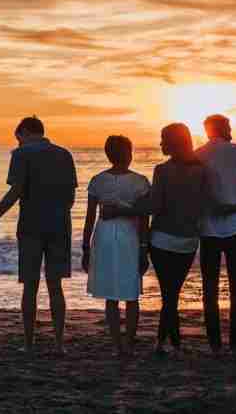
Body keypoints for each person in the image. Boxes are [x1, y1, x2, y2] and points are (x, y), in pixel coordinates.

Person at [102, 123, 207, 356]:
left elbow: (153, 206)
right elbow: (204, 204)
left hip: (162, 240)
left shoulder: (162, 170)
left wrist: (122, 209)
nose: (160, 144)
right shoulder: (201, 169)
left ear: (172, 142)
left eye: (163, 139)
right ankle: (165, 343)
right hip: (188, 241)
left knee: (169, 295)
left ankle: (171, 344)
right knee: (172, 294)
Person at [0, 117, 78, 355]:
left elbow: (16, 191)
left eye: (19, 138)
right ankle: (59, 344)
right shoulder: (65, 154)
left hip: (31, 225)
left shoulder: (21, 154)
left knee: (30, 286)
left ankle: (28, 344)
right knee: (55, 286)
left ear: (25, 132)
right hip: (60, 225)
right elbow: (71, 198)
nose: (19, 143)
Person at [195, 114, 236, 358]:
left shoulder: (198, 154)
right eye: (229, 125)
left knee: (209, 288)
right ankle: (235, 344)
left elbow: (198, 190)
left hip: (208, 229)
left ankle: (214, 345)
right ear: (224, 128)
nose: (231, 129)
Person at [82, 136, 150, 357]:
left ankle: (116, 345)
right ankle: (129, 344)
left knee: (111, 295)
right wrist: (144, 247)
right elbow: (144, 217)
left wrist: (85, 247)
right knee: (131, 293)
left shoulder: (97, 180)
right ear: (129, 154)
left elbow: (90, 218)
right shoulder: (140, 181)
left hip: (104, 236)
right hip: (129, 235)